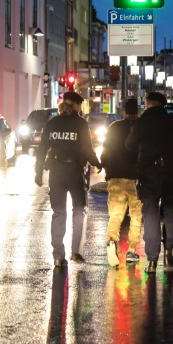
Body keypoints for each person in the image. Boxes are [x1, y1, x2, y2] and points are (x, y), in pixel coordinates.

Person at [35, 91, 102, 267]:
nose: (80, 109)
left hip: (56, 173)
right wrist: (98, 163)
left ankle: (58, 255)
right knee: (79, 210)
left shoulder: (52, 123)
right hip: (74, 172)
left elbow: (42, 148)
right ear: (75, 106)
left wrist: (38, 171)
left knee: (58, 213)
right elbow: (87, 150)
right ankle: (76, 251)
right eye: (79, 105)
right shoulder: (80, 124)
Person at [125, 92, 173, 274]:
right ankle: (169, 250)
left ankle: (152, 259)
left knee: (150, 214)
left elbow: (129, 145)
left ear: (150, 103)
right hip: (169, 172)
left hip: (149, 172)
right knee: (171, 209)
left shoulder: (142, 122)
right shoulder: (172, 121)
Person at [100, 98, 142, 268]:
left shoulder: (114, 127)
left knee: (116, 215)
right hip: (136, 179)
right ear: (138, 110)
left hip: (116, 177)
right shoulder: (142, 128)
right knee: (136, 215)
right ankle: (132, 250)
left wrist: (104, 167)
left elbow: (105, 151)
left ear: (124, 110)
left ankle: (111, 240)